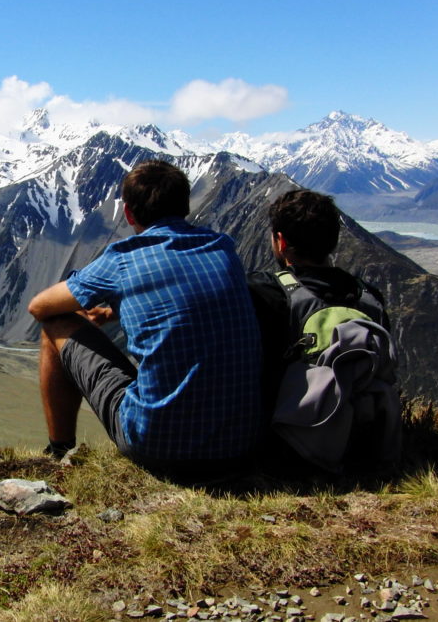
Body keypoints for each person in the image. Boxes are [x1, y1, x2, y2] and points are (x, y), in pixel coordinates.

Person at [27, 160, 262, 480]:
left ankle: (59, 450)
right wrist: (113, 312)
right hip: (239, 444)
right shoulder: (223, 247)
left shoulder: (122, 260)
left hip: (156, 445)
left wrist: (93, 307)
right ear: (185, 207)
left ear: (128, 213)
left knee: (54, 325)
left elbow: (39, 307)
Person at [248, 188, 398, 472]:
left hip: (290, 445)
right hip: (367, 442)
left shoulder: (265, 293)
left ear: (280, 241)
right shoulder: (370, 298)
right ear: (333, 241)